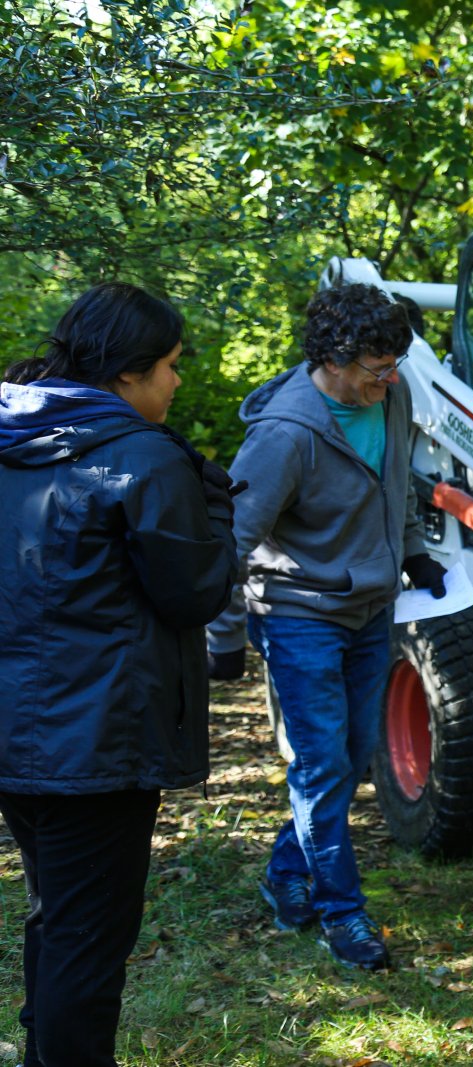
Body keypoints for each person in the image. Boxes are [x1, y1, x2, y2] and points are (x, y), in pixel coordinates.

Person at [0, 282, 237, 1066]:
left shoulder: (8, 438)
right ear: (128, 373)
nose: (177, 382)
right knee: (86, 937)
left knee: (56, 913)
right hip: (95, 742)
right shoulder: (141, 454)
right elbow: (193, 593)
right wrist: (220, 515)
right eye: (170, 366)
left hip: (20, 731)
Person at [206, 283, 447, 970]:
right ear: (335, 359)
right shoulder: (283, 436)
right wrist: (222, 642)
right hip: (299, 615)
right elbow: (228, 541)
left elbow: (394, 480)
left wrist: (415, 552)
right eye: (378, 365)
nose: (390, 377)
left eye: (395, 362)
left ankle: (286, 873)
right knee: (320, 765)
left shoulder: (391, 397)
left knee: (348, 758)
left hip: (370, 610)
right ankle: (342, 913)